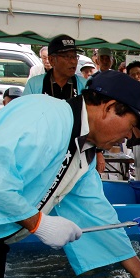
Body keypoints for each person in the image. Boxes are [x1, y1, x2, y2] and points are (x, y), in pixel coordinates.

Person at [0, 71, 140, 278]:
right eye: (131, 125)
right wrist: (38, 222)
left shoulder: (83, 151)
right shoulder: (45, 116)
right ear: (109, 107)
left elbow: (98, 215)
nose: (127, 137)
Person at [23, 35, 104, 174]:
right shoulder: (35, 84)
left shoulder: (84, 85)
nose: (73, 61)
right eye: (67, 57)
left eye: (75, 56)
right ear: (52, 60)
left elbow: (94, 121)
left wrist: (98, 152)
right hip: (42, 150)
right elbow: (26, 119)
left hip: (74, 151)